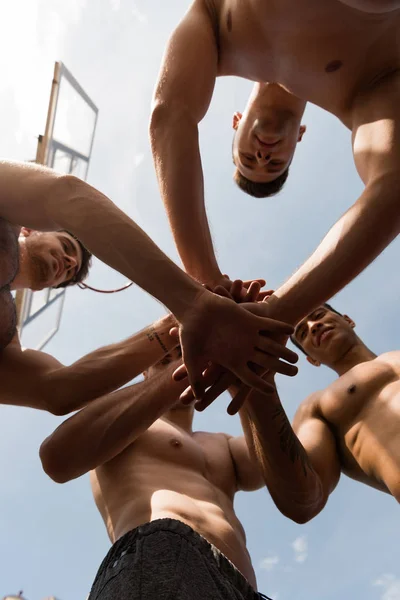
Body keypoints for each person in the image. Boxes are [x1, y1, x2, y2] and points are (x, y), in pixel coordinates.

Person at [150, 0, 400, 343]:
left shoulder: (217, 22)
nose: (262, 156)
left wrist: (205, 283)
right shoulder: (364, 88)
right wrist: (276, 315)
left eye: (248, 159)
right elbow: (392, 186)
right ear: (299, 138)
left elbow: (171, 113)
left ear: (236, 122)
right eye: (275, 163)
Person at [0, 160, 296, 398]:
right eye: (66, 246)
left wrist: (174, 324)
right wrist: (192, 301)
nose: (70, 261)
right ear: (31, 229)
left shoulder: (7, 338)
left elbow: (57, 389)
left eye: (72, 270)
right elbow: (64, 195)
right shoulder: (8, 213)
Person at [39, 332, 297, 599]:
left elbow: (283, 477)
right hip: (160, 558)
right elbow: (58, 458)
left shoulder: (223, 443)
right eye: (165, 361)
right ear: (146, 376)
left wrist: (252, 379)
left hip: (242, 589)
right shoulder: (125, 423)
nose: (183, 364)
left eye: (188, 357)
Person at [234, 303, 400, 526]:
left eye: (319, 315)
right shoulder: (319, 406)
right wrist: (259, 386)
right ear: (312, 360)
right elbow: (302, 501)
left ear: (349, 320)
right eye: (302, 333)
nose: (314, 326)